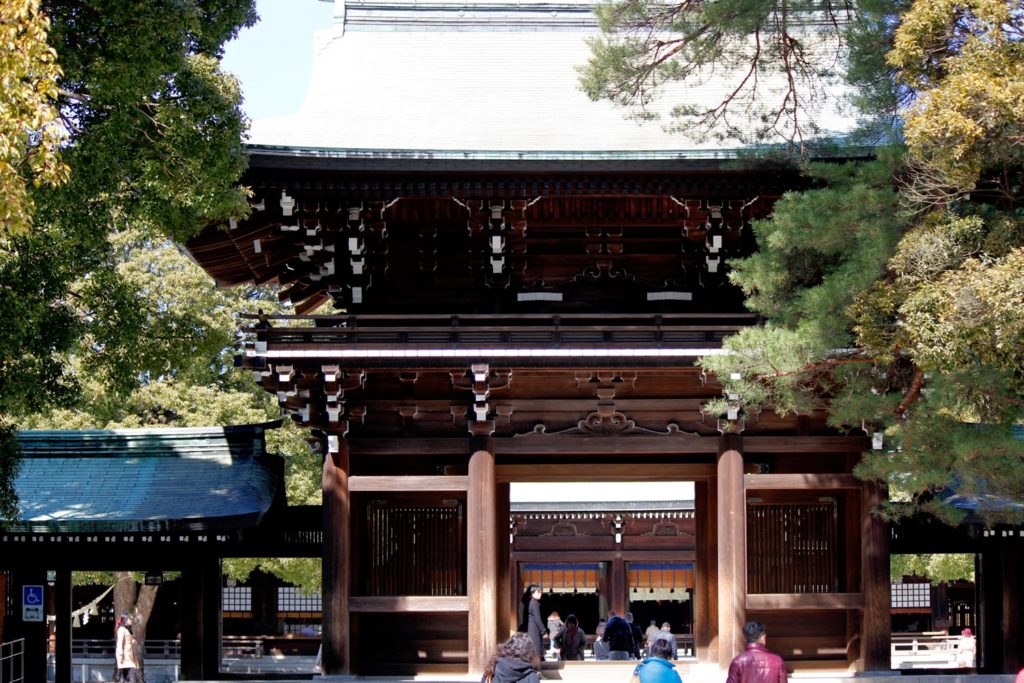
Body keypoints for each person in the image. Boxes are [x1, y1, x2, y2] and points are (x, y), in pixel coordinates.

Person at [114, 612, 139, 683]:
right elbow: (119, 643)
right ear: (125, 619)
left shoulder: (126, 629)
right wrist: (120, 655)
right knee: (132, 672)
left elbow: (127, 641)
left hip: (129, 655)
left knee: (123, 676)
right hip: (125, 656)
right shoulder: (122, 629)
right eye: (130, 619)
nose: (131, 620)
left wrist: (132, 641)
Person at [525, 585, 547, 660]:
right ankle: (537, 669)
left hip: (533, 628)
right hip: (534, 629)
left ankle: (538, 668)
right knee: (536, 650)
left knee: (537, 650)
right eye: (538, 592)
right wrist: (544, 631)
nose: (540, 594)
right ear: (532, 593)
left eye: (541, 592)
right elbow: (537, 619)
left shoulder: (533, 602)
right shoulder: (534, 603)